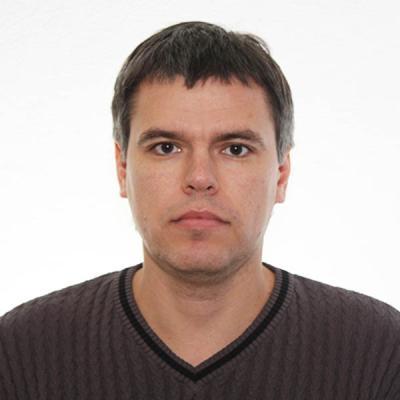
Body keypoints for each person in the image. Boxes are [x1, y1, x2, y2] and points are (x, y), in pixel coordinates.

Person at [0, 21, 399, 399]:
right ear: (123, 170)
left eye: (235, 149)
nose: (200, 178)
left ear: (281, 174)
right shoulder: (22, 352)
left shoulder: (379, 353)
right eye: (166, 147)